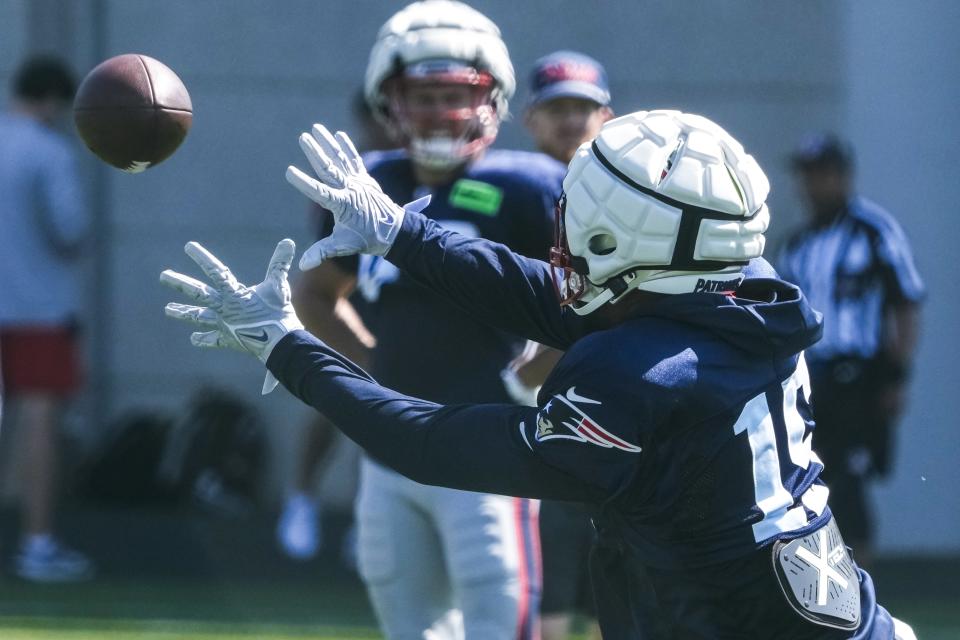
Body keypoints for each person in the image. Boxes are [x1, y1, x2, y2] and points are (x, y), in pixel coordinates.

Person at [162, 110, 918, 639]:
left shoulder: (638, 377)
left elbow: (437, 442)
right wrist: (402, 232)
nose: (564, 237)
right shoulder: (740, 289)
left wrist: (287, 350)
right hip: (836, 616)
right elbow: (553, 298)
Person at [279, 1, 563, 636]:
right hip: (391, 444)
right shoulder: (368, 181)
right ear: (389, 102)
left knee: (500, 618)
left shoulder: (531, 184)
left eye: (453, 94)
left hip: (491, 441)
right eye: (423, 95)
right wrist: (371, 368)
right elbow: (316, 292)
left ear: (491, 98)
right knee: (408, 625)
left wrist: (531, 378)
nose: (439, 111)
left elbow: (583, 304)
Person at [777, 134, 924, 569]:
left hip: (859, 376)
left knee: (853, 482)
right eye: (806, 176)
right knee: (808, 479)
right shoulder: (796, 245)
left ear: (841, 176)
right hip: (809, 377)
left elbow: (906, 303)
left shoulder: (874, 233)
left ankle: (862, 590)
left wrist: (897, 376)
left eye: (820, 174)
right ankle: (816, 588)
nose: (811, 185)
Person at [516, 50, 614, 640]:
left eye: (582, 107)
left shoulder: (626, 196)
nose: (572, 121)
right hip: (531, 407)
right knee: (542, 576)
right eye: (559, 108)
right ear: (530, 119)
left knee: (619, 571)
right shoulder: (509, 189)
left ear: (607, 115)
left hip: (612, 405)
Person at [276, 89, 393, 563]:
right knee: (332, 403)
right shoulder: (352, 177)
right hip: (351, 303)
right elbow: (326, 265)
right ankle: (301, 499)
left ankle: (371, 515)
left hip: (406, 309)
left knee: (395, 413)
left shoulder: (421, 171)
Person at [0, 55, 94, 582]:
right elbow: (70, 230)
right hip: (37, 309)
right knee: (38, 421)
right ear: (55, 100)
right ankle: (37, 543)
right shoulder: (48, 151)